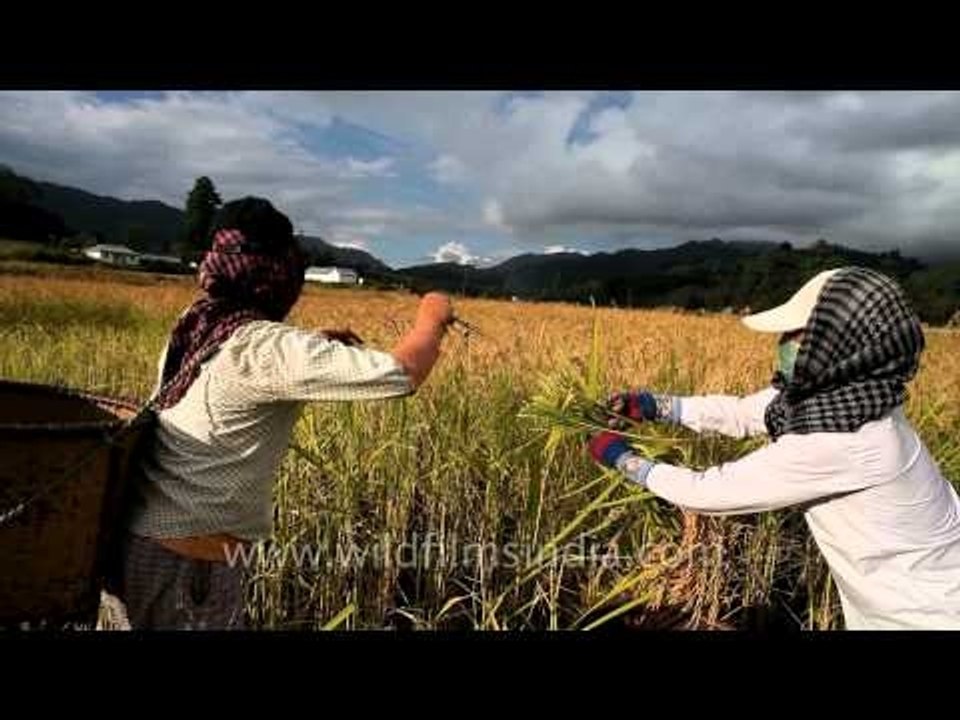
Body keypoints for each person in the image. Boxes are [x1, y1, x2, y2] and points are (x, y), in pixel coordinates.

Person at [111, 197, 454, 630]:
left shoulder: (200, 320)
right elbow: (400, 374)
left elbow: (237, 370)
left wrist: (311, 344)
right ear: (276, 272)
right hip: (193, 563)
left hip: (147, 541)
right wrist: (433, 316)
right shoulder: (265, 347)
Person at [587, 266, 960, 630]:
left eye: (798, 333)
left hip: (924, 613)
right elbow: (743, 412)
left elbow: (706, 491)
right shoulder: (850, 398)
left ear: (839, 341)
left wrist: (623, 459)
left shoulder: (846, 441)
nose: (784, 343)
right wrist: (655, 405)